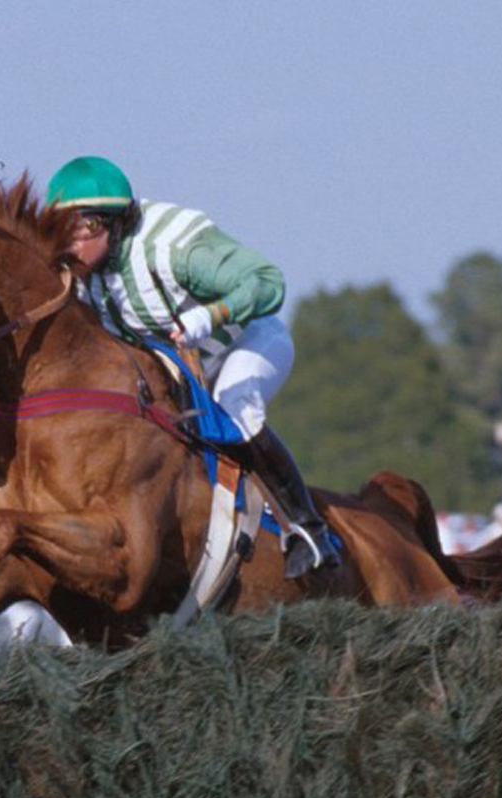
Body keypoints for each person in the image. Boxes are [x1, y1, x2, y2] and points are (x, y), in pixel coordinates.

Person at [45, 155, 339, 577]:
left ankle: (309, 529)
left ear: (113, 223)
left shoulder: (174, 250)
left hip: (249, 340)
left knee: (233, 401)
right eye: (58, 231)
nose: (66, 247)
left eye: (79, 230)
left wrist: (212, 314)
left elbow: (268, 280)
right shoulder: (81, 272)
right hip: (181, 372)